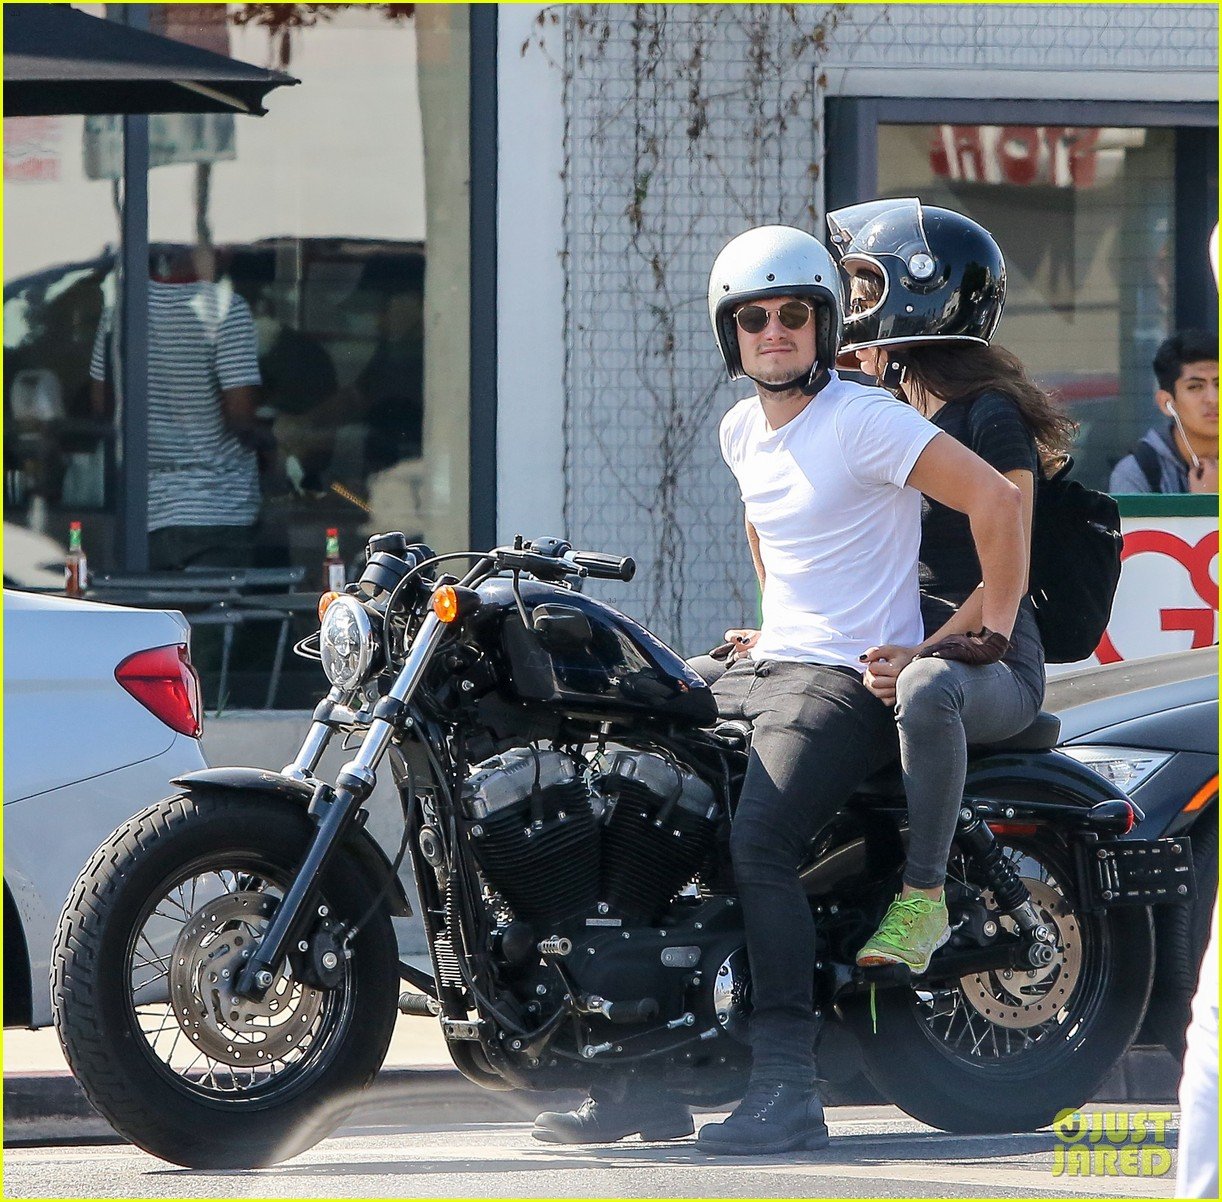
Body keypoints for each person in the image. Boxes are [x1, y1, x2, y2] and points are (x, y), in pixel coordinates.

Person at [823, 198, 1074, 975]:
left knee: (928, 688)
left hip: (990, 660)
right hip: (906, 642)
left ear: (918, 289)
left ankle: (923, 897)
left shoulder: (987, 416)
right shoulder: (886, 411)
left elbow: (1012, 556)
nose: (854, 307)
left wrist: (923, 649)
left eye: (867, 287)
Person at [89, 245, 265, 570]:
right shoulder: (226, 309)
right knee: (215, 618)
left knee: (158, 618)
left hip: (144, 512)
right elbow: (241, 417)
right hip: (217, 509)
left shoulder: (121, 308)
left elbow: (102, 405)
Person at [1108, 329, 1218, 494]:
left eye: (1219, 384)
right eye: (1195, 387)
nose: (1213, 398)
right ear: (1167, 403)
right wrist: (1205, 503)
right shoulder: (1137, 472)